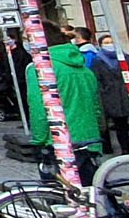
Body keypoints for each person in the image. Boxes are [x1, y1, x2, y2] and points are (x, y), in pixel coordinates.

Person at [26, 23, 106, 184]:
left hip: (58, 141)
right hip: (88, 137)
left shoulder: (41, 68)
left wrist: (38, 141)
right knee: (91, 189)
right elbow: (96, 107)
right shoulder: (83, 67)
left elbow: (39, 109)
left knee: (60, 192)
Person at [89, 33, 129, 156]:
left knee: (123, 123)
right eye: (106, 43)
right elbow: (96, 78)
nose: (109, 45)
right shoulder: (97, 61)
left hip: (124, 95)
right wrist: (103, 91)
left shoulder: (126, 58)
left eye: (111, 42)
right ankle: (109, 147)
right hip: (107, 96)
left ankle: (127, 149)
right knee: (107, 124)